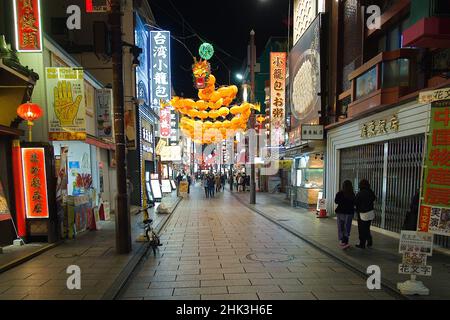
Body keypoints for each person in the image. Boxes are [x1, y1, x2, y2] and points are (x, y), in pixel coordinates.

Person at [355, 179, 376, 249]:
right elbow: (374, 198)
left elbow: (356, 202)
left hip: (363, 214)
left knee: (362, 229)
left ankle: (362, 244)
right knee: (367, 228)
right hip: (370, 213)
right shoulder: (370, 192)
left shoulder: (360, 193)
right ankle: (369, 241)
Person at [334, 180, 355, 249]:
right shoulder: (352, 194)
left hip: (340, 212)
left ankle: (342, 240)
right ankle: (345, 241)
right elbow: (354, 203)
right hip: (349, 212)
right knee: (347, 226)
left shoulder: (339, 193)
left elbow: (336, 201)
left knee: (340, 226)